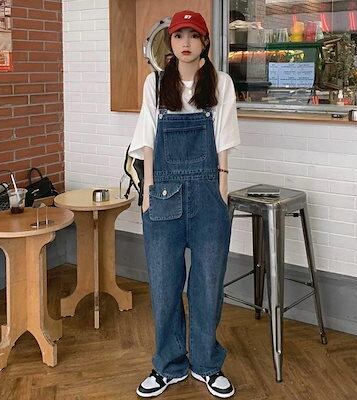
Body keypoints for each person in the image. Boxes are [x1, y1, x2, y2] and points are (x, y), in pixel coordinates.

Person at [129, 9, 240, 398]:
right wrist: (147, 190)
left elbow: (224, 137)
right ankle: (169, 365)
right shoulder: (156, 82)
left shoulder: (221, 82)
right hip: (162, 196)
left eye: (193, 35)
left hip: (209, 194)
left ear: (205, 41)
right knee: (164, 285)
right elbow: (147, 138)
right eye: (179, 36)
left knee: (207, 285)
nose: (186, 42)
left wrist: (222, 186)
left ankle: (207, 364)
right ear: (170, 41)